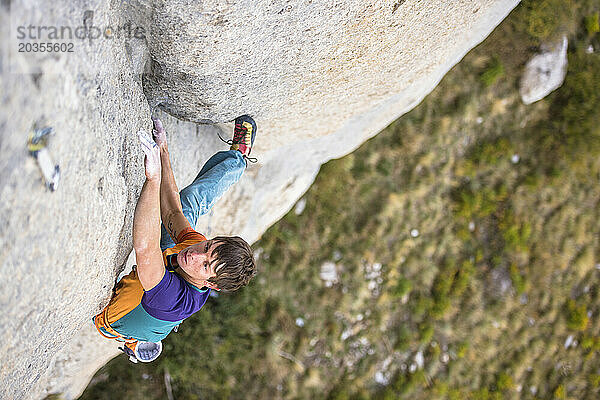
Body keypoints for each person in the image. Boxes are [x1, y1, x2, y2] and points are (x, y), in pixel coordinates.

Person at [93, 115, 258, 363]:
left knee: (155, 267)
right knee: (190, 203)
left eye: (205, 265)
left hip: (118, 318)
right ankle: (237, 160)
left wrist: (153, 179)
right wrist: (162, 151)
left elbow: (145, 247)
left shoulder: (173, 300)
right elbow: (172, 211)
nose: (195, 254)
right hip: (168, 271)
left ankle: (135, 343)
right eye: (208, 246)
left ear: (211, 285)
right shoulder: (195, 252)